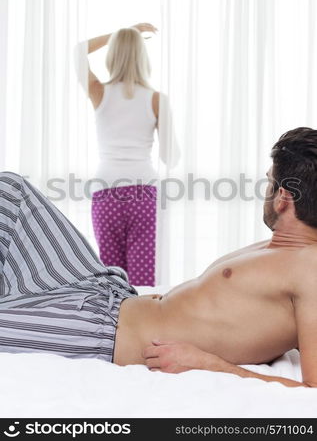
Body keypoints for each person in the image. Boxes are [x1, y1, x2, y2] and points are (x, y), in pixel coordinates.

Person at [1, 126, 317, 388]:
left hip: (102, 332)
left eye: (268, 180)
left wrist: (209, 364)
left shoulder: (310, 270)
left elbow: (313, 387)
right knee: (11, 191)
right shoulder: (282, 246)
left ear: (283, 199)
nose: (263, 188)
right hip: (107, 292)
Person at [75, 23, 162, 287]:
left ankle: (116, 327)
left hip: (106, 191)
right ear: (142, 58)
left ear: (113, 55)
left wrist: (120, 35)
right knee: (143, 281)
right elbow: (173, 152)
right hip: (144, 192)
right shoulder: (156, 99)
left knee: (112, 279)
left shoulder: (99, 92)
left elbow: (78, 52)